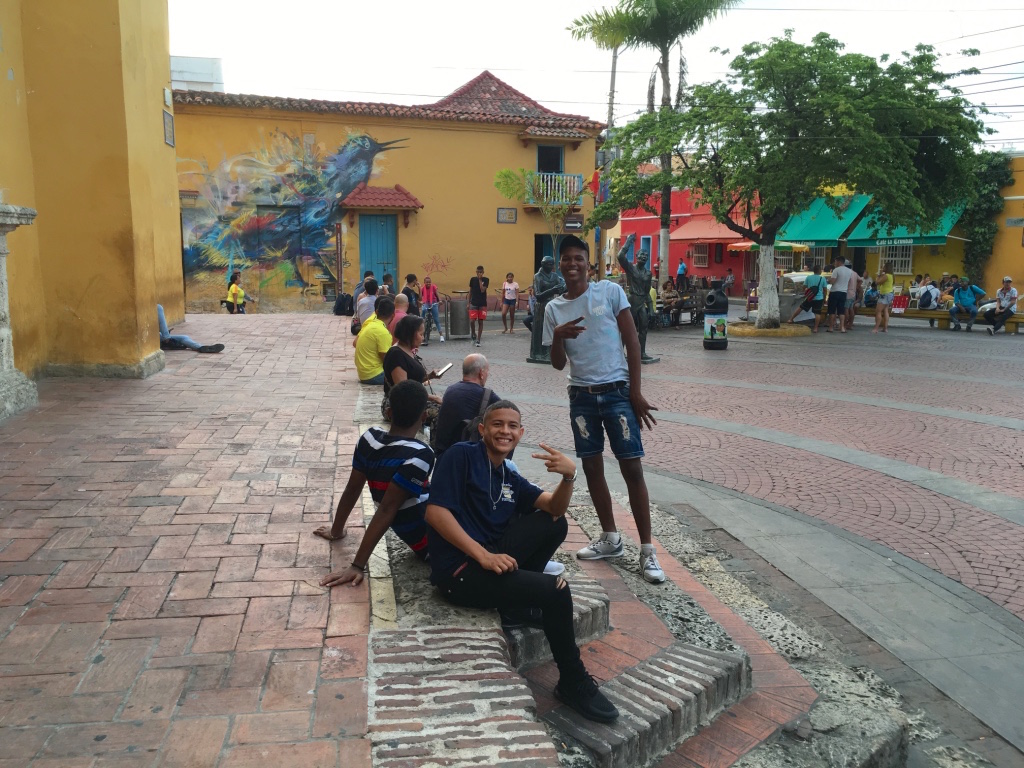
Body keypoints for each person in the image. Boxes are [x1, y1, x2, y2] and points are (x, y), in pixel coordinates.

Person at [425, 400, 619, 723]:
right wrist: (483, 555)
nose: (505, 431)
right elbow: (435, 513)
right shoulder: (461, 456)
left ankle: (514, 606)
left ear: (521, 433)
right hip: (460, 572)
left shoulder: (507, 475)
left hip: (492, 557)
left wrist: (569, 477)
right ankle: (572, 681)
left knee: (555, 523)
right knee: (556, 591)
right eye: (498, 424)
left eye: (512, 426)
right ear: (484, 429)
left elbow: (554, 508)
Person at [543, 234, 665, 584]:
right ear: (560, 263)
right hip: (581, 397)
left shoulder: (610, 292)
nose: (572, 264)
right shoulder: (553, 308)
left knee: (633, 470)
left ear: (588, 263)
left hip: (616, 393)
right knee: (592, 467)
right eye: (566, 258)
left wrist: (636, 393)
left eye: (578, 258)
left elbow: (632, 341)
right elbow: (556, 364)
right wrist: (558, 336)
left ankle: (647, 550)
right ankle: (610, 538)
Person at [317, 380, 435, 586]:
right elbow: (387, 509)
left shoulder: (369, 438)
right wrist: (357, 565)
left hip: (421, 533)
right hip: (432, 542)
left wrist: (337, 530)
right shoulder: (420, 454)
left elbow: (353, 488)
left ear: (389, 413)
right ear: (424, 416)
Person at [433, 354, 501, 458]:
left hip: (445, 454)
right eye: (487, 371)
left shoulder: (450, 390)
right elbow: (508, 413)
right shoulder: (487, 396)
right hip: (468, 456)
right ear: (481, 373)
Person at [383, 316, 443, 419]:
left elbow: (412, 379)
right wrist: (432, 398)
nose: (423, 338)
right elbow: (403, 390)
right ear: (410, 334)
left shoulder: (408, 351)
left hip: (412, 400)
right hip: (398, 405)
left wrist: (430, 376)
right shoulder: (396, 355)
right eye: (420, 334)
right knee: (444, 412)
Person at [617, 240, 656, 361]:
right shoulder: (630, 268)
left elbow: (647, 291)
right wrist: (628, 242)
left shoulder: (648, 274)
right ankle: (620, 352)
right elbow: (620, 256)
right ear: (636, 256)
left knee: (644, 328)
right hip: (632, 301)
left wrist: (651, 309)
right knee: (627, 327)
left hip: (642, 301)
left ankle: (641, 352)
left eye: (646, 256)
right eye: (641, 255)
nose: (643, 257)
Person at [529, 259, 565, 361]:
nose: (551, 266)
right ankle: (538, 354)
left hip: (552, 305)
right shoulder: (538, 276)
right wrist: (552, 291)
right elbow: (538, 295)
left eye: (552, 264)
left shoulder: (555, 276)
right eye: (549, 264)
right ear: (543, 265)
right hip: (541, 306)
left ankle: (550, 352)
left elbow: (564, 284)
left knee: (551, 330)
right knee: (540, 330)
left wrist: (562, 288)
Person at [354, 297, 395, 385]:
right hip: (374, 375)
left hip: (364, 374)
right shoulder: (383, 332)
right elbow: (386, 360)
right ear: (393, 315)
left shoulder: (370, 324)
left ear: (376, 312)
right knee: (405, 374)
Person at [157, 305, 223, 353]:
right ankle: (166, 339)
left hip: (159, 336)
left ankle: (200, 347)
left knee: (184, 337)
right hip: (159, 337)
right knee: (158, 307)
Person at [787, 264, 827, 332]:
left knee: (801, 307)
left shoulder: (809, 277)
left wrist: (806, 292)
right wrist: (824, 298)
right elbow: (825, 290)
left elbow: (804, 286)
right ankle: (815, 328)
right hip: (819, 298)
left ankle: (790, 319)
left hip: (810, 297)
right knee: (817, 313)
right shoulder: (822, 278)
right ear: (819, 270)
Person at [826, 256, 852, 333]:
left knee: (832, 310)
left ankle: (831, 327)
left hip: (835, 292)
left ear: (839, 262)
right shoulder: (849, 271)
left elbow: (833, 281)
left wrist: (828, 280)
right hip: (843, 292)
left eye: (835, 261)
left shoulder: (836, 270)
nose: (834, 263)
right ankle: (842, 328)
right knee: (841, 311)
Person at [420, 276, 444, 345]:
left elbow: (437, 294)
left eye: (429, 282)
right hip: (426, 303)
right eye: (427, 282)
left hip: (433, 303)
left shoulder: (434, 287)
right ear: (424, 283)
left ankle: (441, 335)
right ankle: (423, 320)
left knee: (436, 320)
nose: (428, 283)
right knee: (424, 310)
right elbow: (420, 297)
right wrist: (421, 301)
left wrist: (440, 300)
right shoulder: (422, 289)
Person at [469, 266, 489, 347]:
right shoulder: (473, 279)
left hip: (482, 303)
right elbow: (470, 291)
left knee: (480, 322)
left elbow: (482, 290)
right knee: (472, 321)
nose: (479, 273)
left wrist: (480, 280)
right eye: (478, 272)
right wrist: (468, 302)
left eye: (481, 272)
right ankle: (473, 333)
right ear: (476, 272)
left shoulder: (486, 280)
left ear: (483, 272)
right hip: (473, 303)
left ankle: (478, 340)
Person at [872, 263, 895, 334]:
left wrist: (879, 275)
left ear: (886, 268)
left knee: (878, 311)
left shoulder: (886, 276)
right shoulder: (892, 276)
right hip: (890, 293)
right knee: (885, 311)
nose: (882, 267)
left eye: (884, 266)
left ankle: (876, 328)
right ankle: (885, 328)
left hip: (884, 294)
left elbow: (877, 282)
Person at [844, 262, 860, 331]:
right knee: (851, 309)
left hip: (848, 292)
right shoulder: (855, 273)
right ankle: (850, 324)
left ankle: (844, 325)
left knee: (846, 309)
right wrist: (857, 287)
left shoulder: (847, 273)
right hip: (853, 292)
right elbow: (860, 280)